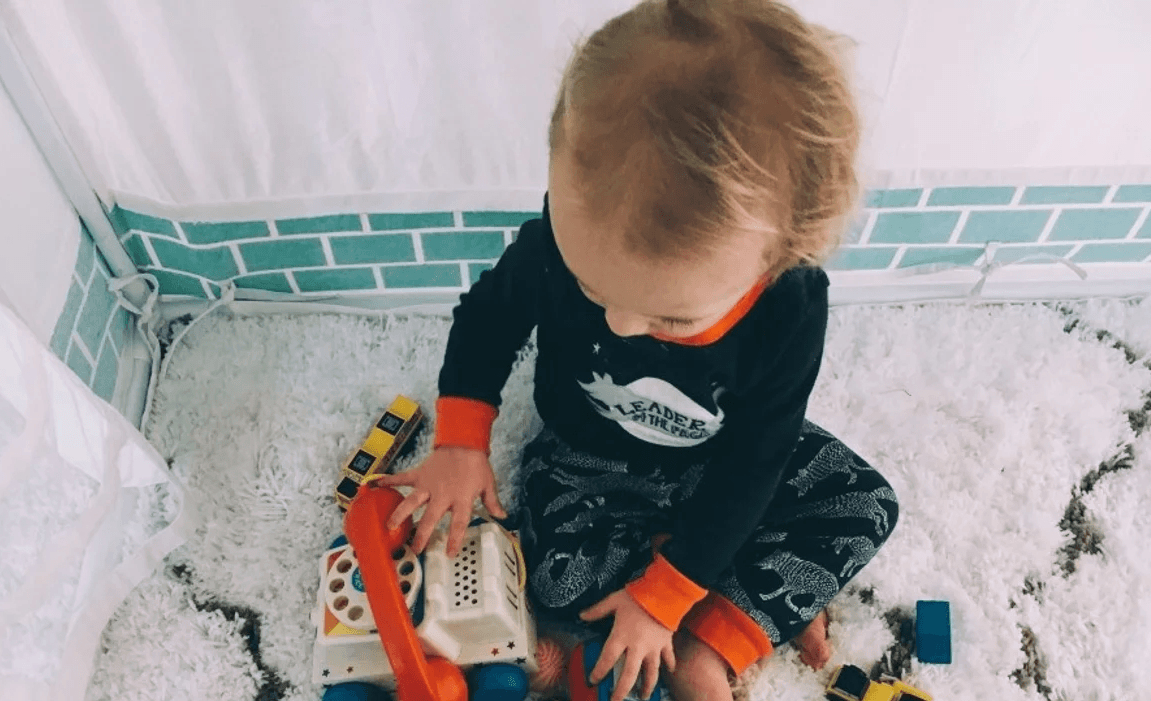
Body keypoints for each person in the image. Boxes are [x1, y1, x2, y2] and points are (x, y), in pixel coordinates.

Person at [377, 1, 899, 698]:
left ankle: (708, 642)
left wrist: (663, 598)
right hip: (589, 457)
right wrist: (461, 441)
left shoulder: (789, 308)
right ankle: (729, 589)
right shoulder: (560, 241)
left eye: (670, 318)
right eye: (590, 286)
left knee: (862, 502)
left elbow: (756, 461)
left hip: (722, 463)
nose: (617, 325)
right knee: (552, 579)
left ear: (780, 256)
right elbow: (488, 317)